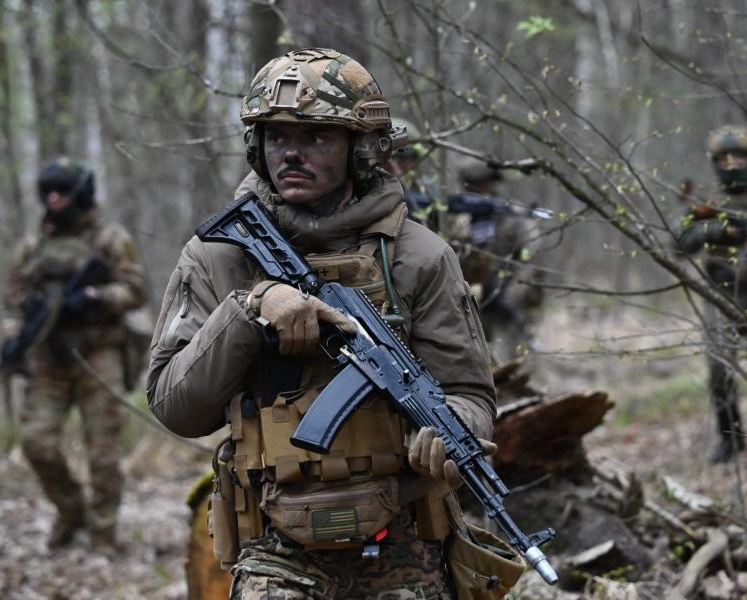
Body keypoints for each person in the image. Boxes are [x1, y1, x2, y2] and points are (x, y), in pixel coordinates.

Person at [147, 48, 497, 598]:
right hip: (273, 542)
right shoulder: (218, 255)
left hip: (404, 533)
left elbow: (471, 394)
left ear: (361, 152)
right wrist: (250, 307)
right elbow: (175, 406)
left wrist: (454, 433)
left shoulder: (418, 256)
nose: (291, 153)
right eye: (277, 137)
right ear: (255, 147)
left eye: (315, 138)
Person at [2, 158, 148, 551]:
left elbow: (137, 290)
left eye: (62, 191)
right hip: (48, 359)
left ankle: (103, 534)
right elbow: (14, 301)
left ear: (79, 193)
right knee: (37, 444)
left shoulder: (109, 239)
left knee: (103, 453)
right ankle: (70, 511)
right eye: (48, 192)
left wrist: (94, 298)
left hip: (98, 354)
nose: (54, 199)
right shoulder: (33, 247)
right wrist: (13, 339)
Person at [676, 126, 747, 464]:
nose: (730, 163)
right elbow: (681, 243)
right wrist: (722, 230)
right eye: (722, 158)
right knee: (719, 372)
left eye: (737, 155)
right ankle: (731, 440)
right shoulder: (707, 200)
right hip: (720, 294)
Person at [445, 158, 546, 362]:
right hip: (465, 301)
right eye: (470, 184)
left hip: (505, 299)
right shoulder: (454, 215)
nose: (477, 189)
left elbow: (531, 259)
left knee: (511, 361)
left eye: (481, 183)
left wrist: (507, 295)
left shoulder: (512, 216)